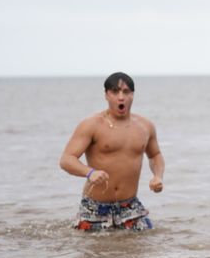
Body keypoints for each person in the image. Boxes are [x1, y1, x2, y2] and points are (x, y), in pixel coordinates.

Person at [59, 72, 164, 231]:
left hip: (130, 206)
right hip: (95, 207)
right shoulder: (91, 125)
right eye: (115, 92)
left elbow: (155, 155)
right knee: (93, 253)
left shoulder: (145, 126)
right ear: (106, 95)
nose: (121, 97)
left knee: (145, 249)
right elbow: (66, 159)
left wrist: (157, 176)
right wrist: (90, 172)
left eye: (126, 92)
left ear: (132, 95)